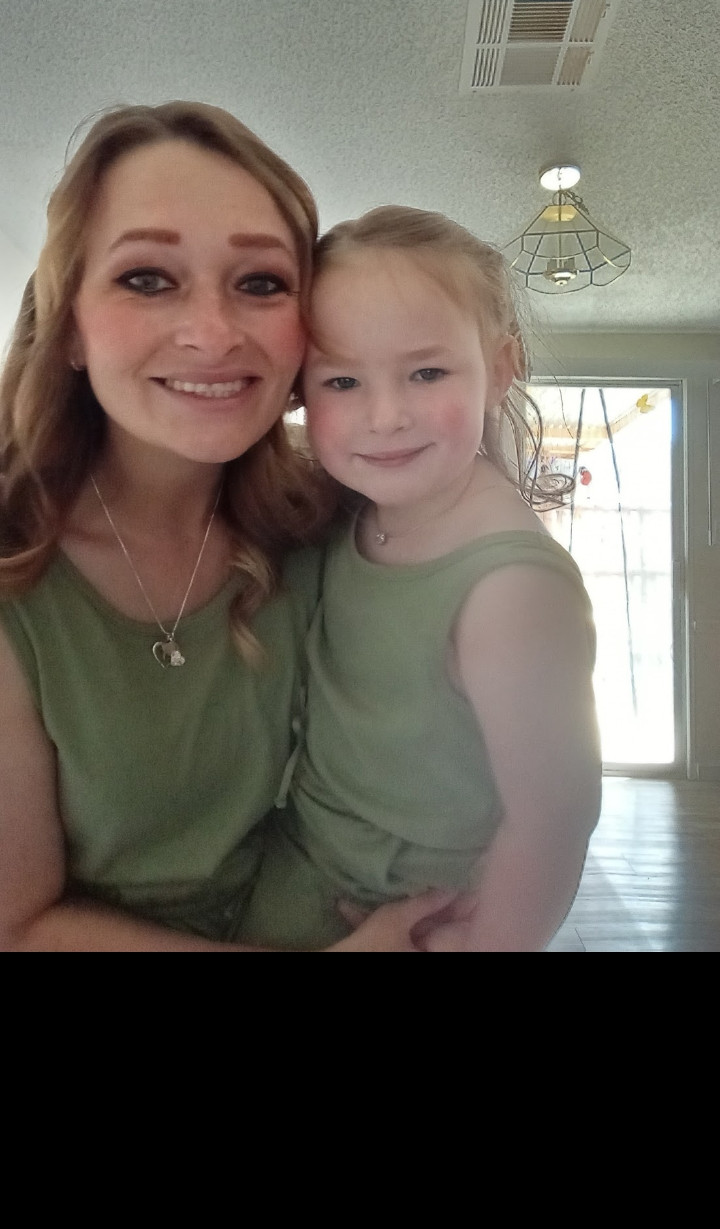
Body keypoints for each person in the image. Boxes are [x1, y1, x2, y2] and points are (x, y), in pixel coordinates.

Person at [0, 105, 451, 952]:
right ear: (68, 326)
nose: (213, 333)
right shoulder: (15, 571)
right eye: (146, 278)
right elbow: (16, 924)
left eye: (261, 283)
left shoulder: (336, 519)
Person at [237, 206, 603, 951]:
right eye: (343, 380)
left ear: (500, 368)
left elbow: (554, 818)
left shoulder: (510, 590)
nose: (385, 416)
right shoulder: (353, 514)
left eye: (427, 372)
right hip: (299, 871)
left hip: (415, 917)